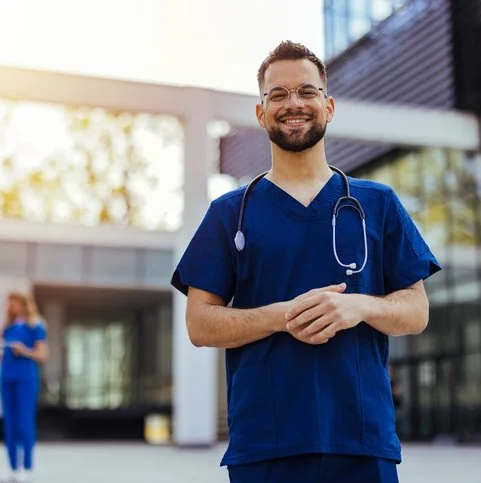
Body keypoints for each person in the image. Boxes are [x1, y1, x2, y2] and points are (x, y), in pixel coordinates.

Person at [171, 41, 441, 483]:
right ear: (261, 114)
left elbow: (416, 311)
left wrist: (360, 306)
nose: (292, 103)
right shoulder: (229, 213)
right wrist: (281, 316)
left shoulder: (378, 204)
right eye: (277, 95)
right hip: (266, 445)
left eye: (306, 91)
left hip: (361, 441)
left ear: (328, 106)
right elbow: (200, 325)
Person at [0, 292, 48, 483]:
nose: (10, 308)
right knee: (10, 424)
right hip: (6, 379)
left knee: (24, 423)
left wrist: (24, 351)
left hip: (26, 379)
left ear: (24, 304)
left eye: (14, 304)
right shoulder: (8, 327)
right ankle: (12, 467)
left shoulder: (36, 325)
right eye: (8, 305)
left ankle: (27, 467)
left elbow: (42, 355)